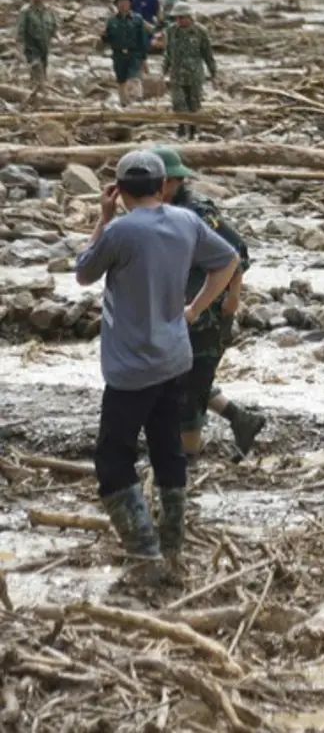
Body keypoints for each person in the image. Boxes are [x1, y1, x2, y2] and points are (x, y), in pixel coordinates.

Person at [74, 149, 239, 580]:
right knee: (168, 451)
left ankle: (144, 556)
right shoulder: (185, 221)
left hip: (130, 369)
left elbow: (84, 273)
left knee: (113, 460)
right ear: (163, 185)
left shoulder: (120, 232)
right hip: (173, 358)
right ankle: (173, 552)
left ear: (121, 188)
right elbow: (227, 261)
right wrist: (195, 309)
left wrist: (102, 218)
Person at [154, 146, 265, 458]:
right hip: (179, 307)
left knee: (189, 388)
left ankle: (187, 465)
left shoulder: (197, 211)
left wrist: (232, 299)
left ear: (172, 182)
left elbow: (237, 252)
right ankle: (241, 419)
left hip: (206, 311)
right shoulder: (156, 210)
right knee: (181, 378)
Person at [163, 9, 218, 137]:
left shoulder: (200, 31)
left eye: (182, 17)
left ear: (189, 17)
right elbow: (168, 52)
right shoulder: (171, 31)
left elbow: (208, 54)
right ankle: (181, 128)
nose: (179, 20)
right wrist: (163, 71)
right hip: (176, 74)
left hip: (194, 74)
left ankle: (193, 130)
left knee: (194, 104)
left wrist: (213, 74)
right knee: (178, 102)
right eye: (177, 18)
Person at [104, 0, 152, 104]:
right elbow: (108, 39)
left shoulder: (137, 19)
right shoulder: (111, 21)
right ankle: (124, 104)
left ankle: (137, 102)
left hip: (134, 54)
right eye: (121, 3)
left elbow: (143, 39)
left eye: (126, 2)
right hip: (118, 55)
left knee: (134, 78)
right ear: (117, 5)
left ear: (130, 4)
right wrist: (104, 37)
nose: (123, 5)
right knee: (121, 80)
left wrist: (143, 57)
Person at [16, 0, 58, 93]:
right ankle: (41, 92)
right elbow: (20, 29)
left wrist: (58, 37)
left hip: (45, 46)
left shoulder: (50, 10)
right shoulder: (26, 11)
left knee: (43, 68)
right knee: (36, 68)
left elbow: (54, 26)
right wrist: (19, 46)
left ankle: (37, 90)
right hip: (31, 47)